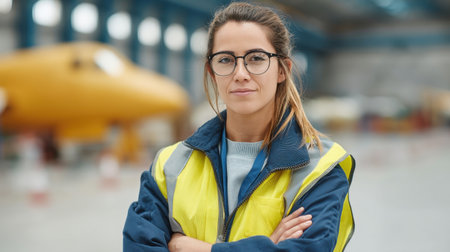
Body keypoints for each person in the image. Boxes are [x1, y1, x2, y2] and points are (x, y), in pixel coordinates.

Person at [123, 2, 355, 251]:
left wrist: (193, 247)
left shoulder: (320, 168)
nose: (240, 73)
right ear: (212, 72)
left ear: (282, 70)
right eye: (226, 60)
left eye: (256, 58)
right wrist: (266, 246)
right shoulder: (169, 166)